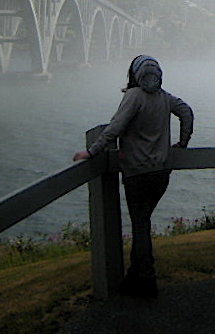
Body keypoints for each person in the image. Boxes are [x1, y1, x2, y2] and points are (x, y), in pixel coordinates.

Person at [73, 55, 193, 298]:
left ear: (134, 75)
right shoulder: (165, 98)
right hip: (161, 173)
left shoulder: (133, 97)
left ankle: (147, 281)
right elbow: (187, 113)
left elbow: (114, 128)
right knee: (142, 224)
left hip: (137, 173)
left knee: (140, 226)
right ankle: (133, 278)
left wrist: (91, 151)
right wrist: (182, 142)